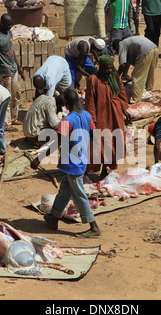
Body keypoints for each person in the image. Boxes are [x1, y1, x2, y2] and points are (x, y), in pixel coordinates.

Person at [30, 89, 101, 238]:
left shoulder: (67, 121)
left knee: (79, 194)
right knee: (64, 191)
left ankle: (93, 226)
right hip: (81, 159)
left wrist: (39, 158)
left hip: (72, 163)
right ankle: (54, 218)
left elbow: (56, 143)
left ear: (67, 105)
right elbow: (94, 135)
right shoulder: (87, 116)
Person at [84, 55, 131, 179]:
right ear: (101, 68)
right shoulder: (93, 80)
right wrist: (92, 121)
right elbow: (90, 102)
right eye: (106, 69)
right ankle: (85, 172)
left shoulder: (115, 78)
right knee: (97, 144)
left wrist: (125, 111)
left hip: (115, 116)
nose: (109, 71)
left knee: (115, 142)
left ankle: (106, 169)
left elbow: (121, 96)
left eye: (111, 68)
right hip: (101, 117)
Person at [0, 14, 25, 127]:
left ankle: (14, 118)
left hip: (13, 69)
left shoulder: (9, 33)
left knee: (16, 94)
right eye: (8, 24)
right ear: (2, 23)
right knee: (6, 97)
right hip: (4, 72)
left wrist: (18, 66)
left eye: (11, 24)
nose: (10, 27)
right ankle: (6, 123)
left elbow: (11, 50)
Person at [114, 35, 159, 103]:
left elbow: (122, 64)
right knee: (150, 72)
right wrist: (125, 74)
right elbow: (127, 62)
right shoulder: (129, 42)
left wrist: (115, 78)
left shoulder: (121, 45)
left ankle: (135, 100)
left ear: (117, 47)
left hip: (145, 50)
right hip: (154, 48)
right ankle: (148, 91)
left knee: (138, 77)